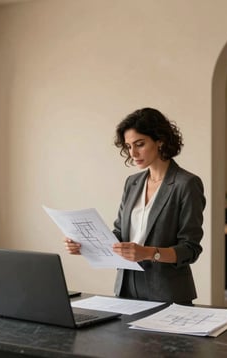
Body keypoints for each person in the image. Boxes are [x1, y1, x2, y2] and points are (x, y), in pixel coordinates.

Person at [65, 107, 205, 304]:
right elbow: (120, 234)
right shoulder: (133, 183)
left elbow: (190, 249)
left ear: (160, 141)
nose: (133, 153)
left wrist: (148, 252)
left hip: (167, 293)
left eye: (140, 144)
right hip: (126, 290)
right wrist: (85, 245)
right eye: (129, 146)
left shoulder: (186, 184)